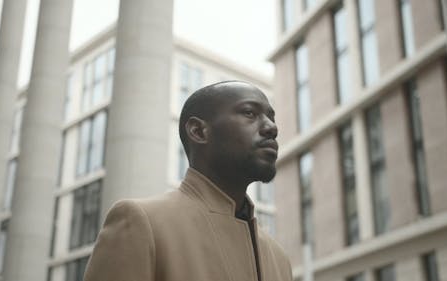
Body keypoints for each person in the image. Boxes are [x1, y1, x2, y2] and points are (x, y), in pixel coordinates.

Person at [84, 81, 292, 281]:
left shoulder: (278, 259)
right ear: (198, 131)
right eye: (249, 113)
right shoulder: (142, 223)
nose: (272, 127)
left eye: (271, 117)